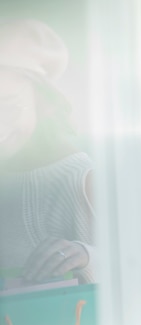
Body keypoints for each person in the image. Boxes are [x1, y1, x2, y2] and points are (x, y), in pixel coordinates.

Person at [0, 19, 95, 286]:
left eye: (8, 105)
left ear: (42, 103)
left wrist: (87, 257)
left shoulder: (79, 178)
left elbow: (137, 271)